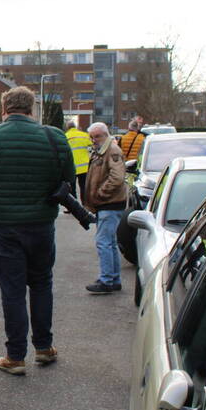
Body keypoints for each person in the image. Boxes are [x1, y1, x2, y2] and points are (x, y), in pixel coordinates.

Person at [0, 86, 74, 376]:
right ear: (31, 109)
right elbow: (68, 179)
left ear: (4, 109)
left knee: (12, 291)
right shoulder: (54, 136)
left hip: (3, 226)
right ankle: (44, 348)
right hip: (41, 225)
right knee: (41, 284)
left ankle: (15, 357)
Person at [82, 122, 128, 294]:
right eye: (92, 137)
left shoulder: (112, 151)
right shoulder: (102, 150)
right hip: (107, 203)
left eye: (97, 136)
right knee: (110, 242)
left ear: (105, 134)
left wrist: (100, 194)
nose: (94, 140)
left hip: (109, 203)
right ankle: (113, 279)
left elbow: (116, 178)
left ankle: (107, 280)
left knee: (103, 242)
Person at [64, 121, 91, 199]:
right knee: (83, 187)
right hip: (84, 167)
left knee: (72, 187)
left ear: (67, 128)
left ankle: (73, 206)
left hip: (71, 167)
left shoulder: (65, 136)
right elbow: (92, 147)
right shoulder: (84, 135)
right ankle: (85, 205)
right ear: (75, 127)